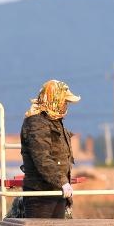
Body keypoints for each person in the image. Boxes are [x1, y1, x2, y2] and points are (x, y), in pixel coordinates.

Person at [20, 79, 80, 218]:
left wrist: (62, 184)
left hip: (55, 191)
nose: (66, 105)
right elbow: (42, 159)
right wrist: (62, 182)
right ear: (54, 99)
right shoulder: (37, 123)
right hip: (41, 195)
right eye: (64, 101)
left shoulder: (54, 121)